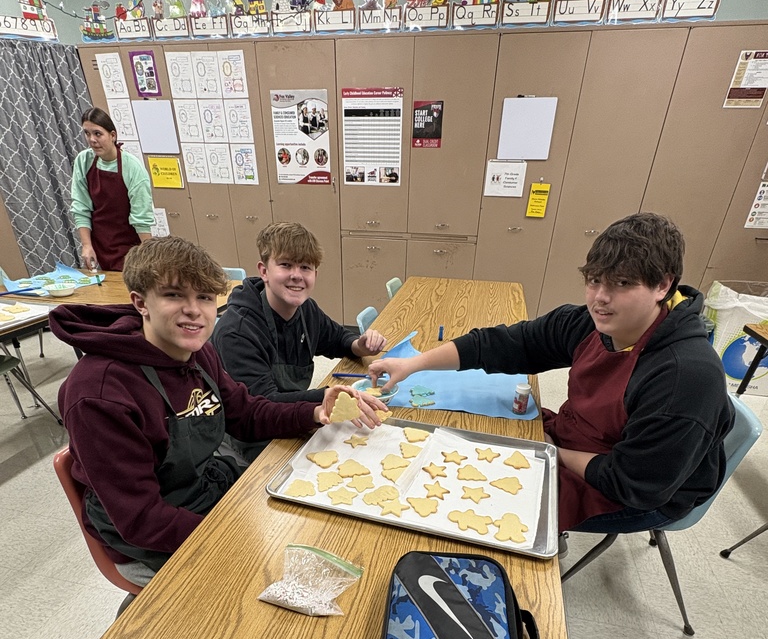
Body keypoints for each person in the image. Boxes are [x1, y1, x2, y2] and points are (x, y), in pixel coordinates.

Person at [369, 212, 734, 534]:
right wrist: (413, 364)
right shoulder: (591, 322)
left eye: (622, 284)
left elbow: (632, 485)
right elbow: (506, 344)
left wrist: (548, 450)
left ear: (663, 285)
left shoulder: (684, 378)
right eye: (594, 281)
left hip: (634, 491)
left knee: (480, 504)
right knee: (463, 445)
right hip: (579, 442)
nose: (600, 298)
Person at [50, 237, 385, 585]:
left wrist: (316, 411)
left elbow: (246, 413)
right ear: (141, 303)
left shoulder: (198, 353)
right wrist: (241, 540)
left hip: (204, 490)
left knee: (321, 523)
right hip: (150, 538)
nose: (194, 310)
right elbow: (141, 520)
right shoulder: (100, 394)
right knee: (264, 588)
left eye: (205, 297)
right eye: (174, 295)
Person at [212, 221, 388, 462]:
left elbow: (336, 338)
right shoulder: (238, 331)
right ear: (264, 271)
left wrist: (359, 345)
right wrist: (326, 397)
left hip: (295, 418)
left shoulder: (306, 310)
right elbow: (261, 405)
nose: (296, 275)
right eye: (286, 265)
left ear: (315, 274)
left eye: (305, 267)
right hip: (252, 438)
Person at [71, 107, 154, 272]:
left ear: (113, 135)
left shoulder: (132, 167)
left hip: (130, 247)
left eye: (98, 133)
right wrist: (87, 245)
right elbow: (81, 207)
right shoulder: (84, 161)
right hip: (99, 245)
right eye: (87, 133)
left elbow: (141, 218)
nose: (92, 140)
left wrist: (150, 256)